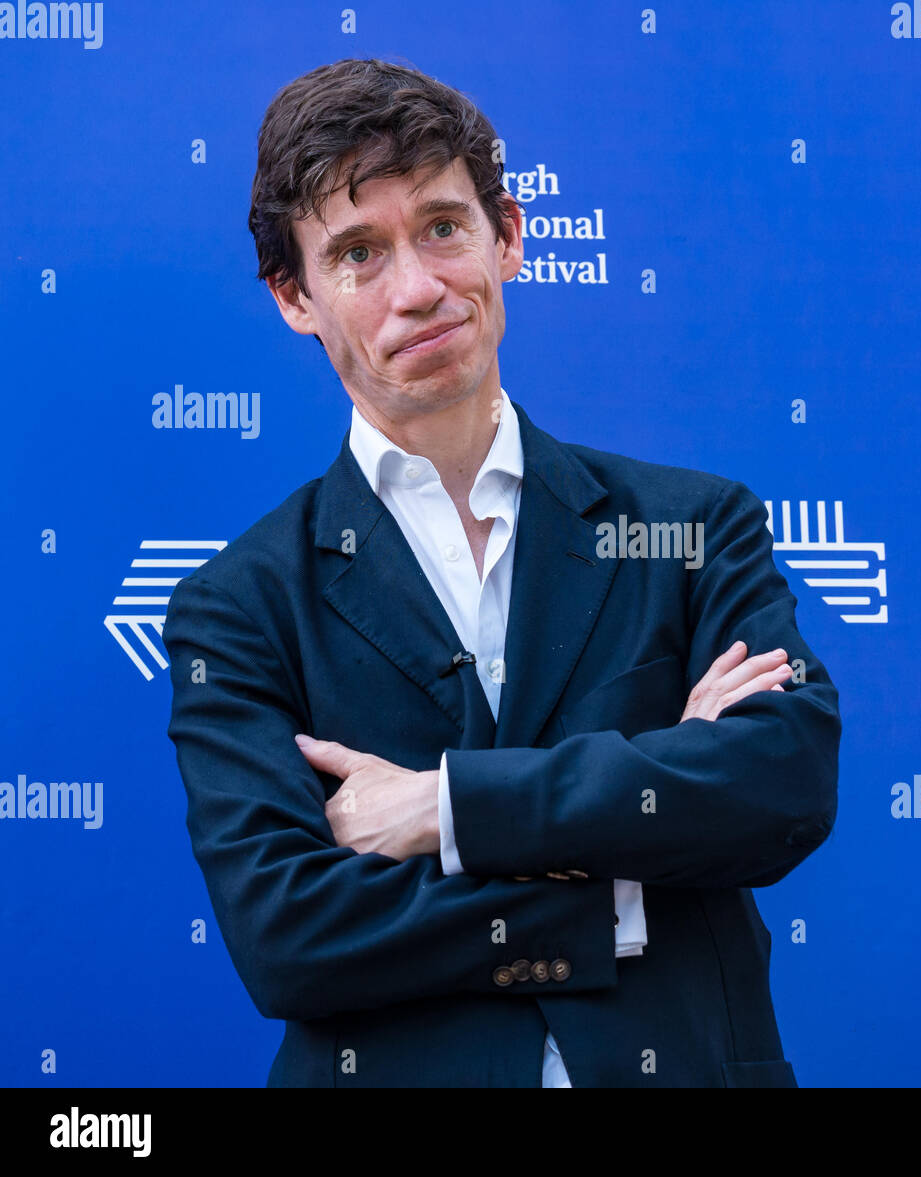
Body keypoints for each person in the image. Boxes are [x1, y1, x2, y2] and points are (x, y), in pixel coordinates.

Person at [162, 57, 840, 1088]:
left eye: (442, 226)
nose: (419, 287)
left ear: (508, 237)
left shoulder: (690, 525)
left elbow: (779, 782)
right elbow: (288, 933)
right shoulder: (241, 607)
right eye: (357, 253)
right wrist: (612, 885)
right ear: (295, 298)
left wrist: (447, 808)